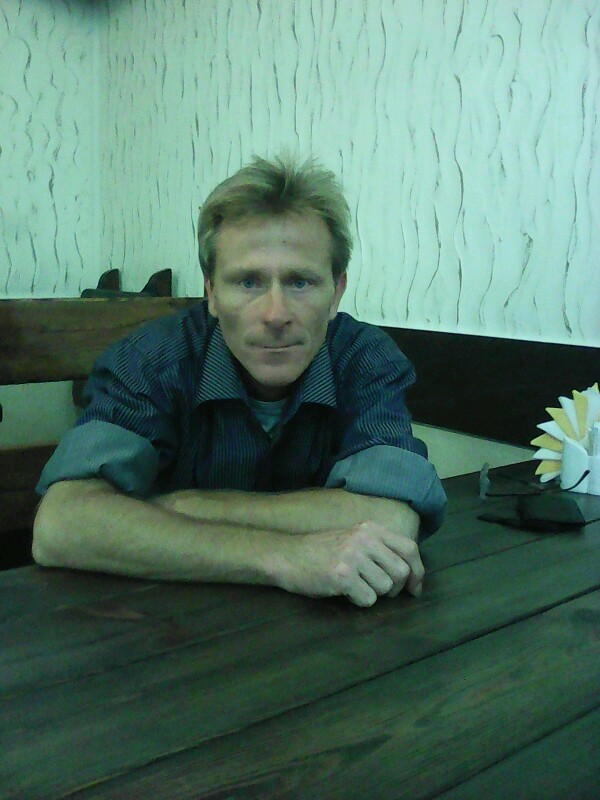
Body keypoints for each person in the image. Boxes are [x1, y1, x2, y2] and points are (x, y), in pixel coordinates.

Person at [33, 155, 447, 608]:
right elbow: (61, 524)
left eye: (301, 282)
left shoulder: (365, 359)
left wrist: (180, 508)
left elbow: (392, 518)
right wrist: (285, 556)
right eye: (248, 282)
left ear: (336, 293)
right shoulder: (149, 361)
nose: (275, 314)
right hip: (162, 623)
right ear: (211, 293)